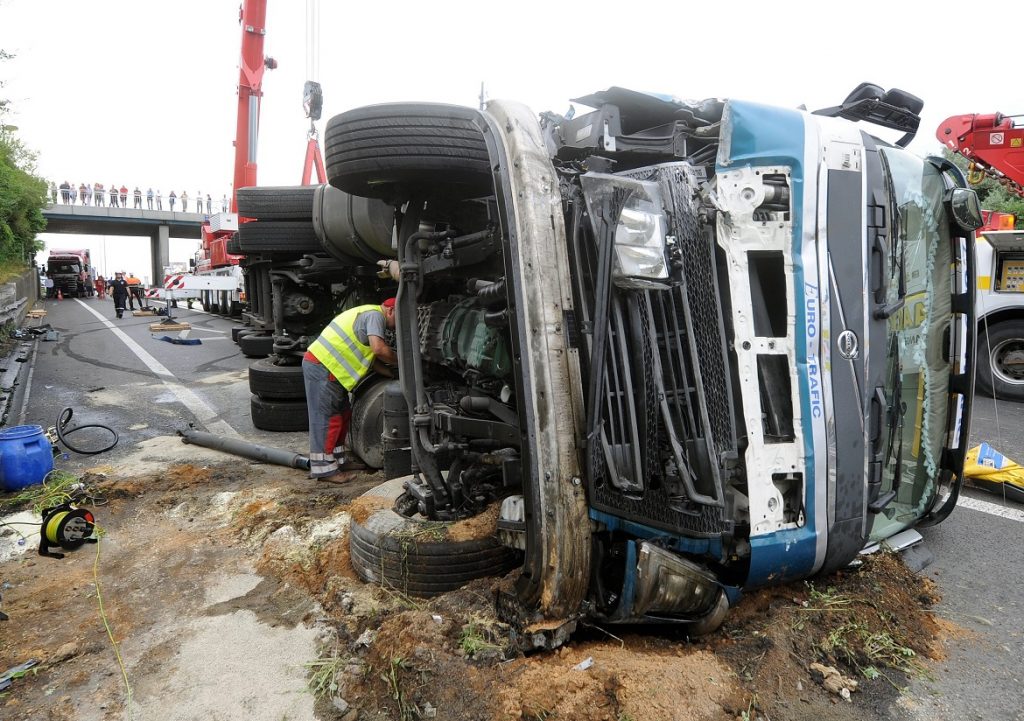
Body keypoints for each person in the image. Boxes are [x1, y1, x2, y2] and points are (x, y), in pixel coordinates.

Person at [303, 299, 398, 482]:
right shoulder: (375, 316)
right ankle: (324, 470)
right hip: (324, 367)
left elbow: (371, 359)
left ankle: (338, 460)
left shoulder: (368, 313)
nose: (395, 328)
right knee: (328, 418)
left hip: (329, 369)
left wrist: (391, 374)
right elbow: (379, 350)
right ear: (391, 311)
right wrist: (401, 361)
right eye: (398, 320)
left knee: (342, 415)